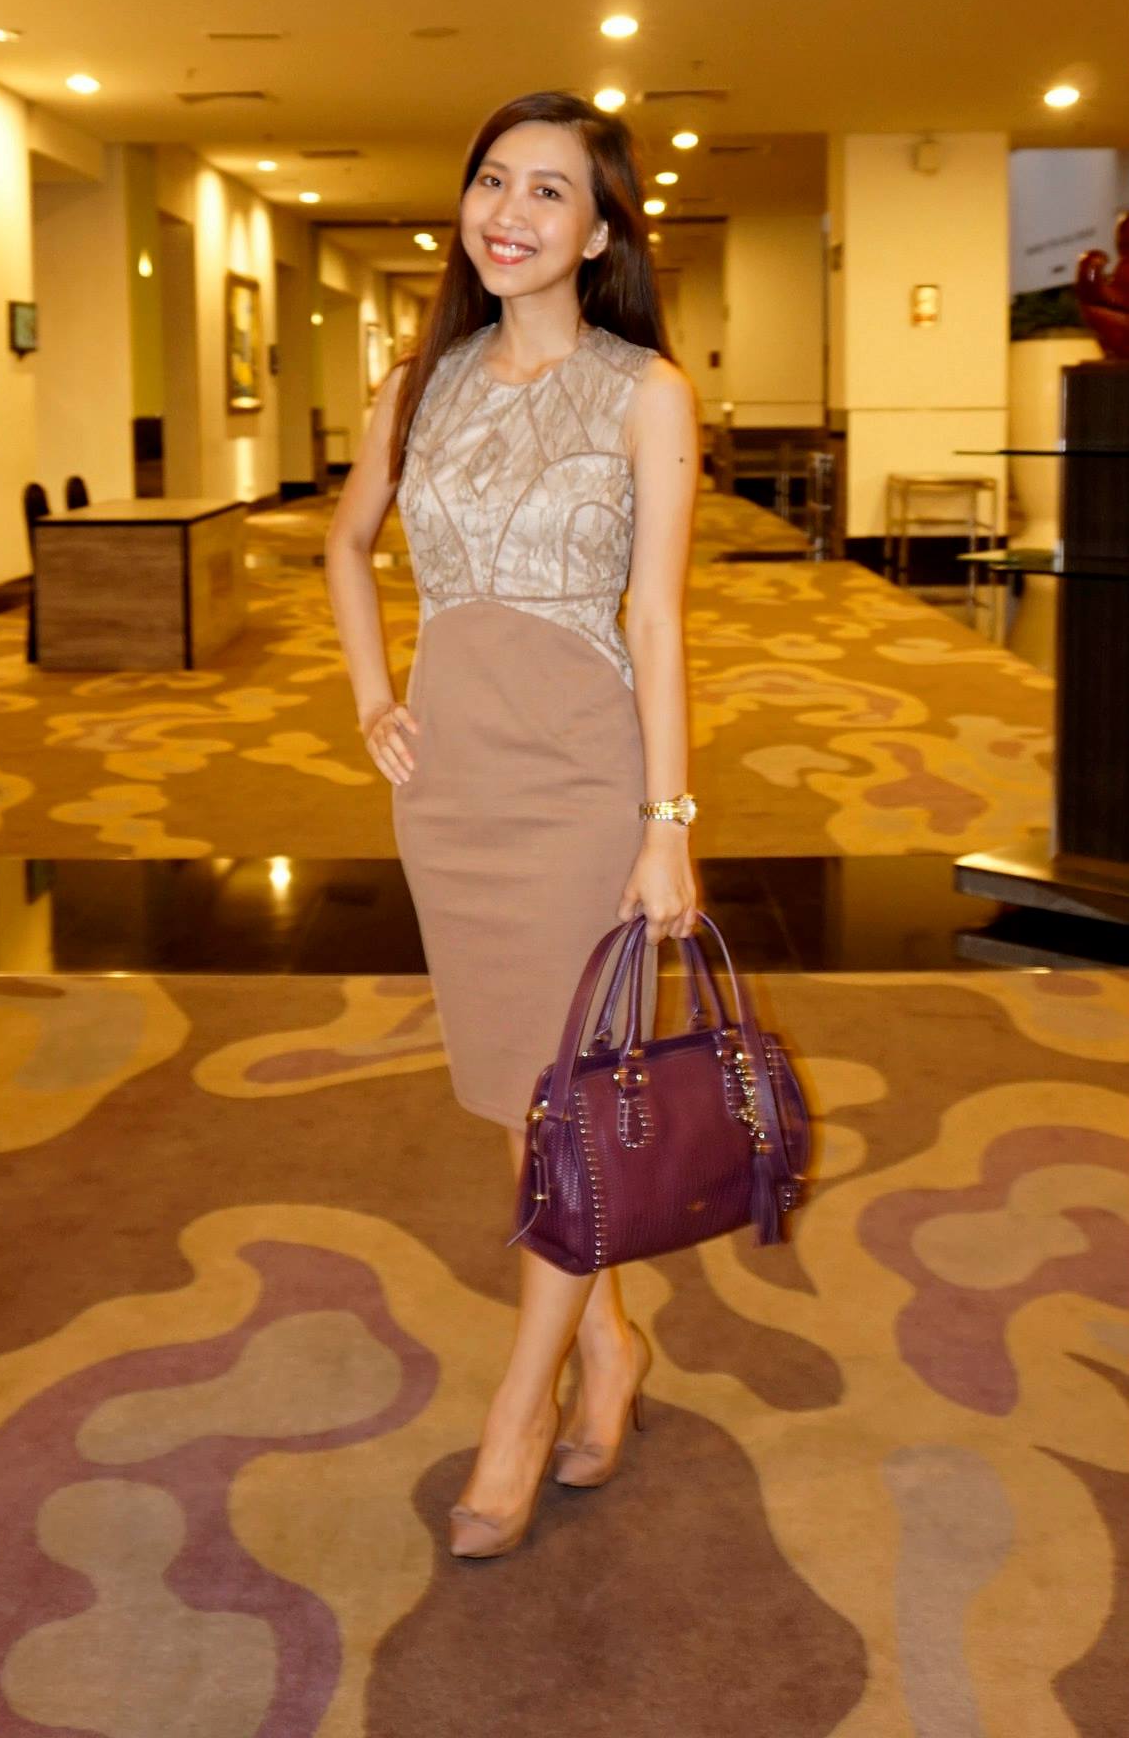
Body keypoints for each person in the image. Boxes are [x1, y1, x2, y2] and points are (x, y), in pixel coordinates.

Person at [325, 88, 701, 1558]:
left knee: (571, 1096)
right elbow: (346, 545)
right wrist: (374, 696)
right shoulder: (417, 386)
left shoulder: (643, 390)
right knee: (518, 1095)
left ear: (599, 232)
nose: (511, 211)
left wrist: (665, 820)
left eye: (551, 190)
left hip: (580, 778)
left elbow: (657, 619)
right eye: (494, 179)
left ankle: (520, 1408)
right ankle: (609, 1344)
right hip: (455, 789)